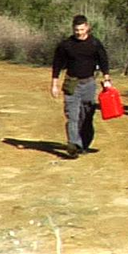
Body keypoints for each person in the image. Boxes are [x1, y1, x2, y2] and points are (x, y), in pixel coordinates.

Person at [50, 15, 112, 158]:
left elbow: (104, 61)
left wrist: (107, 78)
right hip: (72, 83)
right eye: (76, 30)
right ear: (73, 29)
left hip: (89, 84)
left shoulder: (95, 44)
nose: (79, 32)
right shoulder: (66, 45)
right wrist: (54, 84)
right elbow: (57, 65)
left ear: (88, 28)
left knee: (86, 116)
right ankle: (73, 145)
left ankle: (83, 144)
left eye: (82, 29)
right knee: (72, 116)